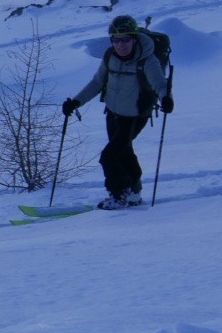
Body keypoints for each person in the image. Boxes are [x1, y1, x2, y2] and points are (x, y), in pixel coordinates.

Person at [62, 15, 172, 210]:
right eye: (116, 39)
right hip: (113, 113)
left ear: (134, 38)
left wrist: (166, 98)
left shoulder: (147, 60)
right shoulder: (110, 56)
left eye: (125, 39)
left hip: (135, 116)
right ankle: (135, 192)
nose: (120, 45)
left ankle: (118, 194)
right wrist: (76, 102)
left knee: (109, 156)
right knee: (124, 153)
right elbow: (97, 82)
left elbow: (160, 84)